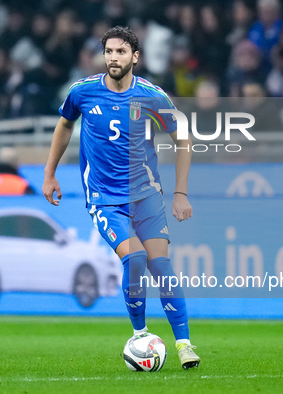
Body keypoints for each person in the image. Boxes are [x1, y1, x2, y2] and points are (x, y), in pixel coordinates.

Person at [42, 26, 200, 369]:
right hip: (104, 198)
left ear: (135, 57)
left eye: (121, 52)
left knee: (161, 265)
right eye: (109, 52)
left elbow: (184, 140)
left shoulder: (152, 96)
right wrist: (49, 173)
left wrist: (181, 193)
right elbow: (65, 125)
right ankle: (140, 334)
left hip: (146, 196)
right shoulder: (83, 92)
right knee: (136, 259)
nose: (114, 58)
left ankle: (185, 344)